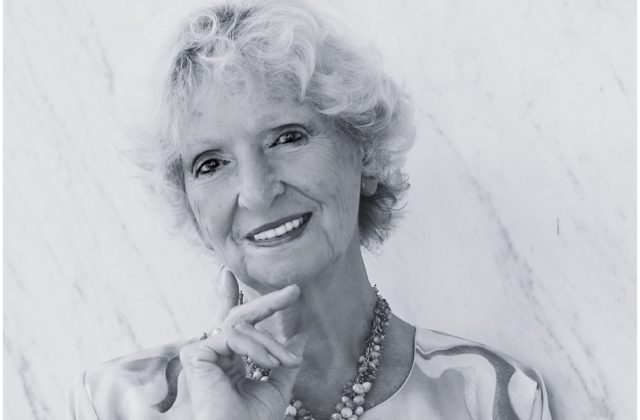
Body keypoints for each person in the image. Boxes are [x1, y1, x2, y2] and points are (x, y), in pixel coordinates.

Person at [67, 0, 552, 418]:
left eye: (287, 138)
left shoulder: (493, 397)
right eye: (211, 164)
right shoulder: (114, 404)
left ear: (366, 155)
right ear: (191, 209)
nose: (256, 192)